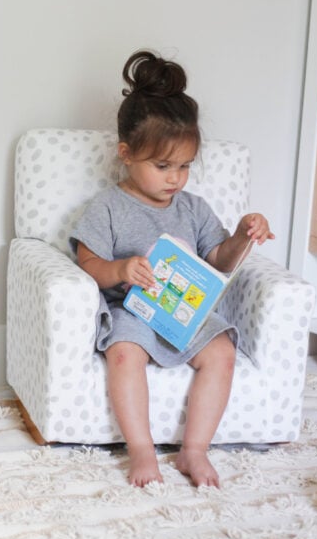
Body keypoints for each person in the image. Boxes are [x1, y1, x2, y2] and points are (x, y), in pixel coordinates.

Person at [70, 49, 274, 488]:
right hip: (135, 311)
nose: (175, 178)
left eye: (184, 166)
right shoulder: (108, 207)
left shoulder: (194, 208)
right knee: (124, 354)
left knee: (222, 351)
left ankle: (193, 450)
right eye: (162, 166)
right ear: (126, 154)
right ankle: (142, 451)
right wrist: (120, 269)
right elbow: (87, 264)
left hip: (184, 310)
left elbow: (219, 259)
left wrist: (243, 233)